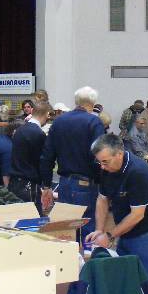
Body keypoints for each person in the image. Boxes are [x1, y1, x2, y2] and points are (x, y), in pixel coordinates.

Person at [87, 134, 148, 291]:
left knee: (144, 279)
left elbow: (137, 215)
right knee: (126, 276)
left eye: (105, 162)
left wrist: (110, 236)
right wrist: (99, 230)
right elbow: (102, 199)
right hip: (126, 230)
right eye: (99, 162)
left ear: (119, 154)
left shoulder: (138, 172)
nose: (102, 166)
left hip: (147, 231)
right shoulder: (106, 169)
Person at [40, 87, 105, 238]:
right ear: (93, 103)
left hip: (64, 183)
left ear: (76, 101)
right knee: (88, 231)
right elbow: (100, 155)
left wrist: (47, 186)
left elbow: (47, 156)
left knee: (65, 231)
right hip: (86, 183)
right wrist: (102, 181)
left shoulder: (59, 121)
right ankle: (86, 253)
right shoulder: (94, 122)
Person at [8, 102, 51, 211]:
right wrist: (46, 186)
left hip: (14, 183)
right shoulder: (38, 134)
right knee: (33, 217)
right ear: (46, 114)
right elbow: (42, 162)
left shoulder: (20, 130)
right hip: (29, 184)